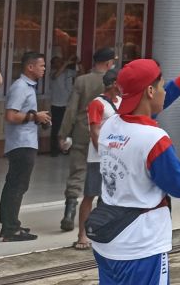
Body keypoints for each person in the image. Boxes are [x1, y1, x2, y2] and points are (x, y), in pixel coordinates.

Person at [90, 57, 180, 285]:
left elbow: (145, 109)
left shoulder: (110, 125)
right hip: (141, 246)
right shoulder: (154, 139)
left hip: (107, 240)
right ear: (149, 90)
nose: (164, 92)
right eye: (160, 86)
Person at [60, 47, 117, 232]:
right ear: (109, 63)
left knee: (76, 174)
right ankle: (100, 217)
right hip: (105, 136)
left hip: (81, 132)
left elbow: (71, 109)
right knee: (103, 176)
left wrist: (64, 133)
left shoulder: (82, 80)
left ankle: (69, 213)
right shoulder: (113, 83)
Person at [0, 51, 51, 241]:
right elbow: (11, 116)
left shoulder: (28, 87)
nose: (44, 69)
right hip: (21, 143)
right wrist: (34, 116)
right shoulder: (21, 87)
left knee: (15, 184)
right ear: (30, 67)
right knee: (17, 185)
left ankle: (9, 223)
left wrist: (37, 118)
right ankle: (10, 228)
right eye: (41, 65)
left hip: (25, 141)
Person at [74, 68, 120, 252]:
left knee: (111, 196)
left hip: (116, 157)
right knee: (90, 194)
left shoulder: (121, 102)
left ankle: (107, 230)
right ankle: (82, 234)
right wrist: (103, 153)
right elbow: (94, 131)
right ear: (114, 83)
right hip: (99, 158)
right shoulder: (97, 103)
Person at [48, 55, 77, 155]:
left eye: (61, 61)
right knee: (56, 128)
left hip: (67, 104)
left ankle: (66, 149)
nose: (60, 63)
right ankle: (54, 150)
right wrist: (66, 63)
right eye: (57, 62)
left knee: (67, 128)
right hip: (56, 105)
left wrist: (79, 63)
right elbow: (56, 76)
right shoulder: (52, 73)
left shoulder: (68, 72)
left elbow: (81, 74)